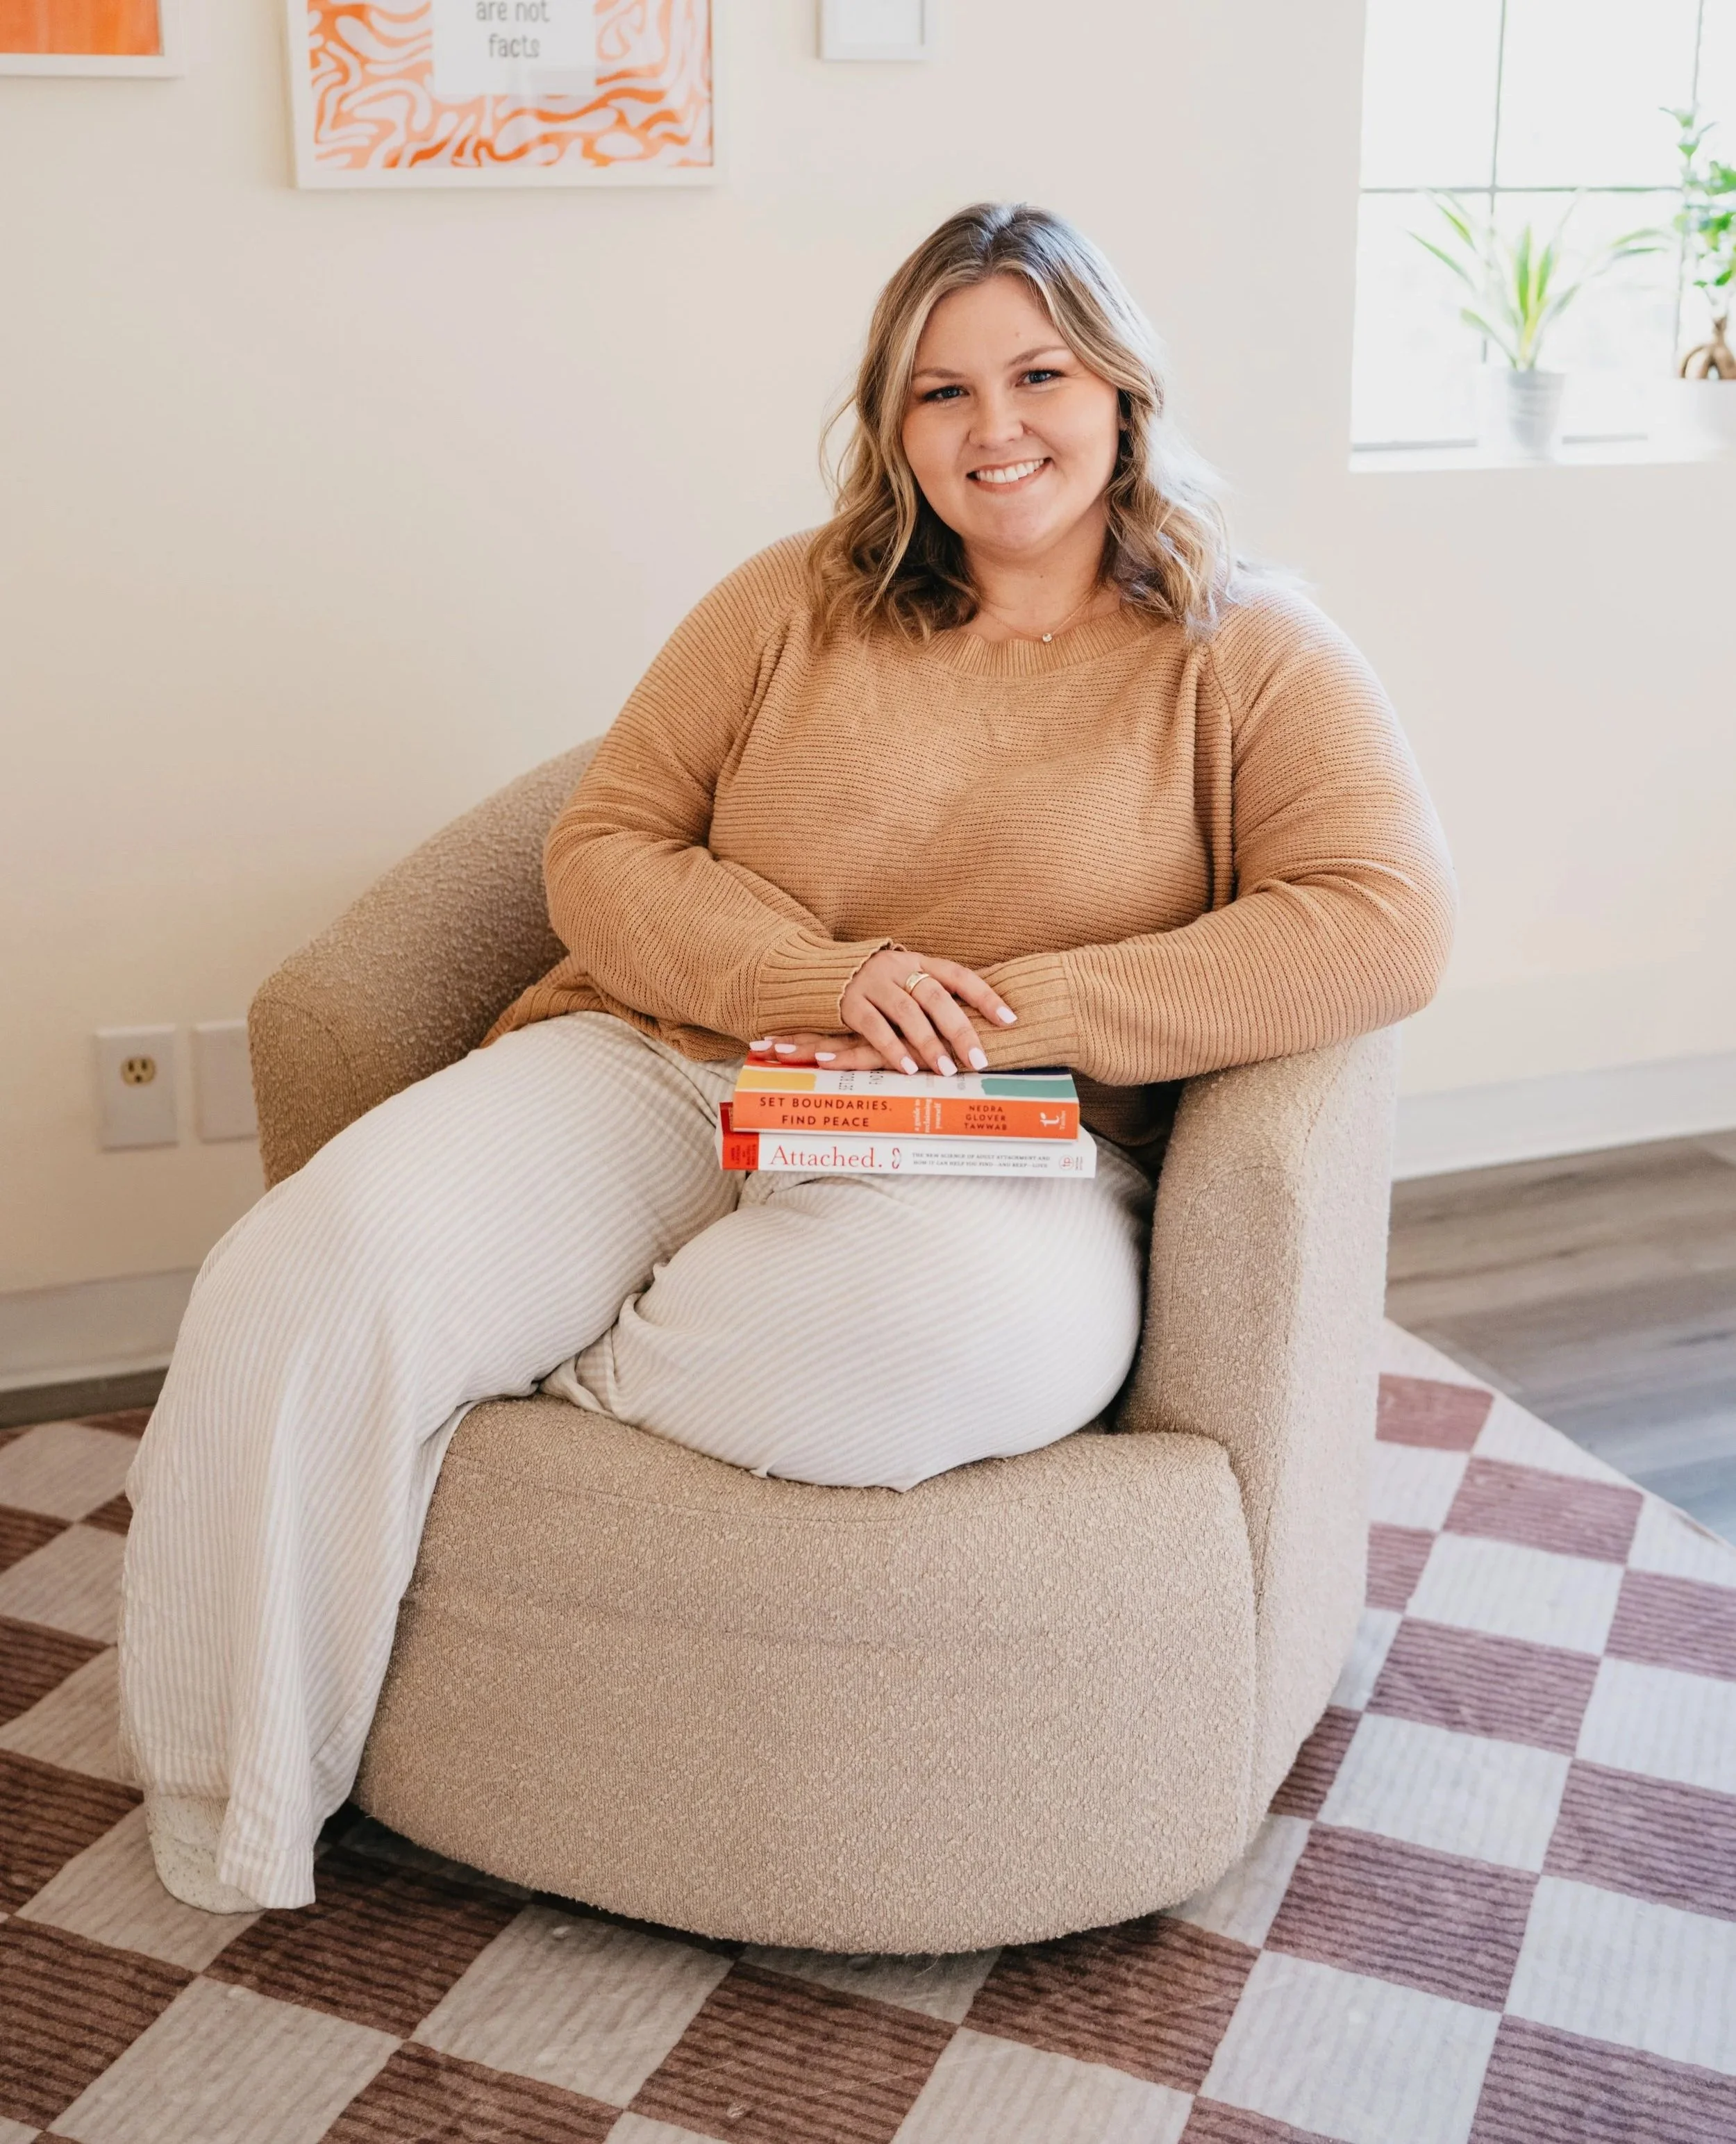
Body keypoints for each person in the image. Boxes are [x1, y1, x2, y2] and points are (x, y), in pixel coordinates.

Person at [120, 202, 1455, 1914]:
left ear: (1119, 389)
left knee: (920, 1345)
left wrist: (1017, 1011)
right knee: (302, 1274)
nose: (994, 428)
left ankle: (526, 1384)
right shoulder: (788, 601)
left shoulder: (1246, 650)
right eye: (937, 390)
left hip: (990, 1134)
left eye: (1037, 373)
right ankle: (235, 1800)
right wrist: (821, 975)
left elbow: (1380, 917)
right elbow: (601, 849)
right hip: (668, 1064)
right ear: (889, 424)